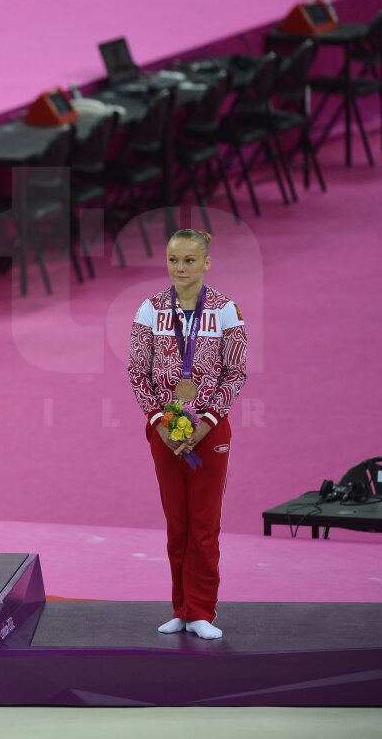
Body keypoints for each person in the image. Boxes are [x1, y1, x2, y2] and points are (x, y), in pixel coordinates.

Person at [128, 229, 247, 640]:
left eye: (190, 260)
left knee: (203, 524)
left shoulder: (226, 310)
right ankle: (181, 607)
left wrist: (207, 422)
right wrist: (160, 422)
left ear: (207, 263)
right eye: (174, 260)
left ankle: (202, 611)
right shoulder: (150, 309)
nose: (180, 268)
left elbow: (235, 373)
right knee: (176, 523)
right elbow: (137, 372)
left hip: (210, 430)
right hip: (164, 429)